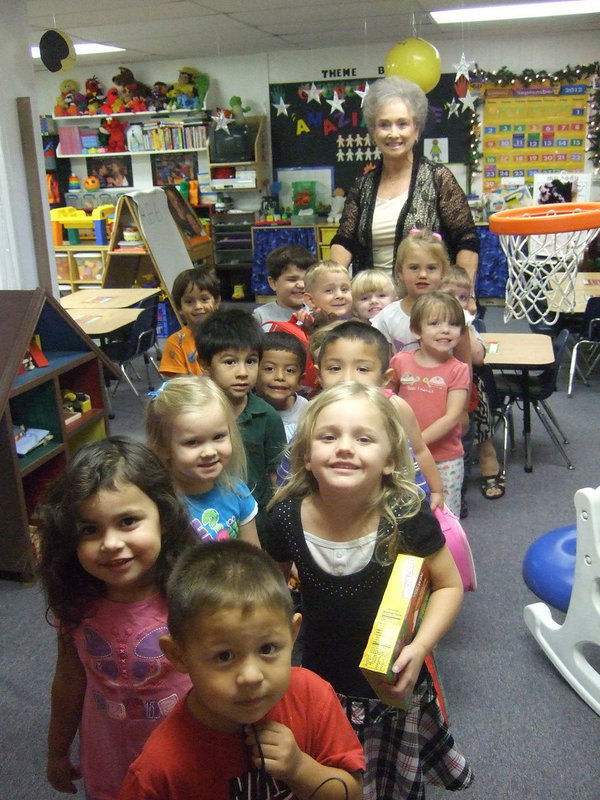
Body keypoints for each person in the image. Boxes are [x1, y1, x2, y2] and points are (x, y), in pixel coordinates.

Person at [265, 383, 472, 800]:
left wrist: (421, 647)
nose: (344, 447)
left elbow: (449, 586)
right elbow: (270, 592)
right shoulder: (284, 517)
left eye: (363, 438)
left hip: (392, 680)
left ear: (392, 461)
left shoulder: (406, 516)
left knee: (389, 779)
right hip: (320, 680)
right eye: (328, 436)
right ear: (306, 454)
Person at [118, 540, 365, 800]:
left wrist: (299, 768)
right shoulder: (160, 768)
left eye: (268, 648)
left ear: (292, 636)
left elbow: (353, 793)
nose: (251, 676)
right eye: (224, 656)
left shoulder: (312, 696)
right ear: (178, 655)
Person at [36, 436, 197, 800]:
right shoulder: (77, 602)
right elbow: (69, 677)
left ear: (164, 519)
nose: (109, 543)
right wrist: (57, 750)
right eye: (89, 529)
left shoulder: (191, 595)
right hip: (110, 763)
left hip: (185, 761)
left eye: (127, 521)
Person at [329, 75, 479, 294]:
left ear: (416, 129)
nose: (393, 133)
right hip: (373, 305)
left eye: (402, 124)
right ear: (373, 132)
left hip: (426, 308)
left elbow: (467, 241)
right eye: (384, 125)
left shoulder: (438, 178)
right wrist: (332, 287)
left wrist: (462, 295)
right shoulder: (362, 187)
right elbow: (344, 241)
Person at [315, 319, 444, 510]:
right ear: (319, 376)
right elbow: (296, 457)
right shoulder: (316, 411)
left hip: (390, 500)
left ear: (385, 378)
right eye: (335, 368)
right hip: (332, 502)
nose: (347, 378)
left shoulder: (395, 407)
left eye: (362, 369)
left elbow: (419, 450)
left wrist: (435, 490)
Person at [195, 308, 287, 543]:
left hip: (258, 522)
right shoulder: (194, 414)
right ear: (205, 365)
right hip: (208, 520)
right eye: (230, 362)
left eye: (251, 361)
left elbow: (277, 477)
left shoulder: (267, 416)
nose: (242, 373)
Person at [145, 376, 260, 546]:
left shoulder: (237, 492)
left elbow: (254, 555)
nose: (209, 452)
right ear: (163, 446)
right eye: (192, 442)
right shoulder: (159, 505)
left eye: (218, 437)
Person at [389, 293, 471, 517]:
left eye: (453, 324)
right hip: (403, 455)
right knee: (405, 510)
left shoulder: (458, 369)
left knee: (444, 513)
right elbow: (386, 399)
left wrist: (416, 443)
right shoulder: (400, 361)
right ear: (417, 330)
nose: (445, 330)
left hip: (445, 459)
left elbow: (452, 417)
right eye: (435, 323)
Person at [441, 266, 506, 505]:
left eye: (464, 297)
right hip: (440, 390)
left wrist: (466, 323)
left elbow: (478, 357)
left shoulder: (470, 327)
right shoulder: (433, 323)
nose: (459, 302)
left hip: (472, 389)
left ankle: (490, 468)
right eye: (452, 297)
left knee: (480, 432)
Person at [371, 228, 450, 354]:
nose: (423, 274)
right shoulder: (387, 317)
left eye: (431, 268)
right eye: (414, 268)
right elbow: (383, 366)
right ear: (400, 272)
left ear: (443, 273)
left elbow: (465, 367)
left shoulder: (453, 313)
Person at [159, 267, 221, 378]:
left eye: (204, 299)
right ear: (179, 307)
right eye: (189, 302)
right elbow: (182, 388)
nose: (198, 306)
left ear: (216, 302)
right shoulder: (176, 343)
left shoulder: (229, 335)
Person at [256, 330, 308, 442]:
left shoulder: (308, 411)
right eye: (269, 369)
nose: (280, 377)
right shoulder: (246, 409)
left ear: (300, 379)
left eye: (290, 370)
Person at [253, 243, 315, 325]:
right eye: (292, 280)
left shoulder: (317, 314)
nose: (302, 285)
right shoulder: (260, 316)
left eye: (306, 279)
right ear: (273, 283)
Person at [302, 260, 354, 325]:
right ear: (310, 300)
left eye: (344, 289)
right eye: (329, 291)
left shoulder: (357, 327)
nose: (340, 295)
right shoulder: (303, 332)